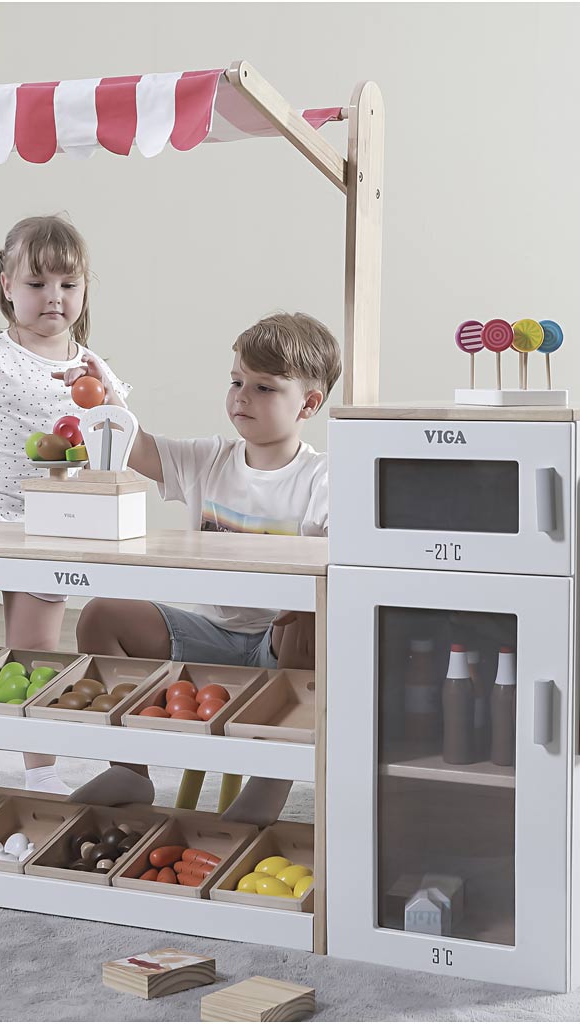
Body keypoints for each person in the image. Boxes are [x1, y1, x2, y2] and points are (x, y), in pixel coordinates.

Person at [62, 312, 340, 823]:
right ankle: (130, 769)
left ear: (308, 403)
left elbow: (342, 559)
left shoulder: (322, 478)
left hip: (280, 646)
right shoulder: (209, 459)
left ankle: (271, 779)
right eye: (236, 382)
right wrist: (108, 398)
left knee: (308, 614)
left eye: (263, 387)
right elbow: (139, 448)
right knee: (101, 613)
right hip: (209, 634)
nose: (242, 397)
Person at [0, 214, 130, 795]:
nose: (54, 297)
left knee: (38, 651)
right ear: (6, 284)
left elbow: (118, 446)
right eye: (36, 283)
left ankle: (41, 770)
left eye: (69, 284)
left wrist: (109, 394)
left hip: (47, 529)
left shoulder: (92, 370)